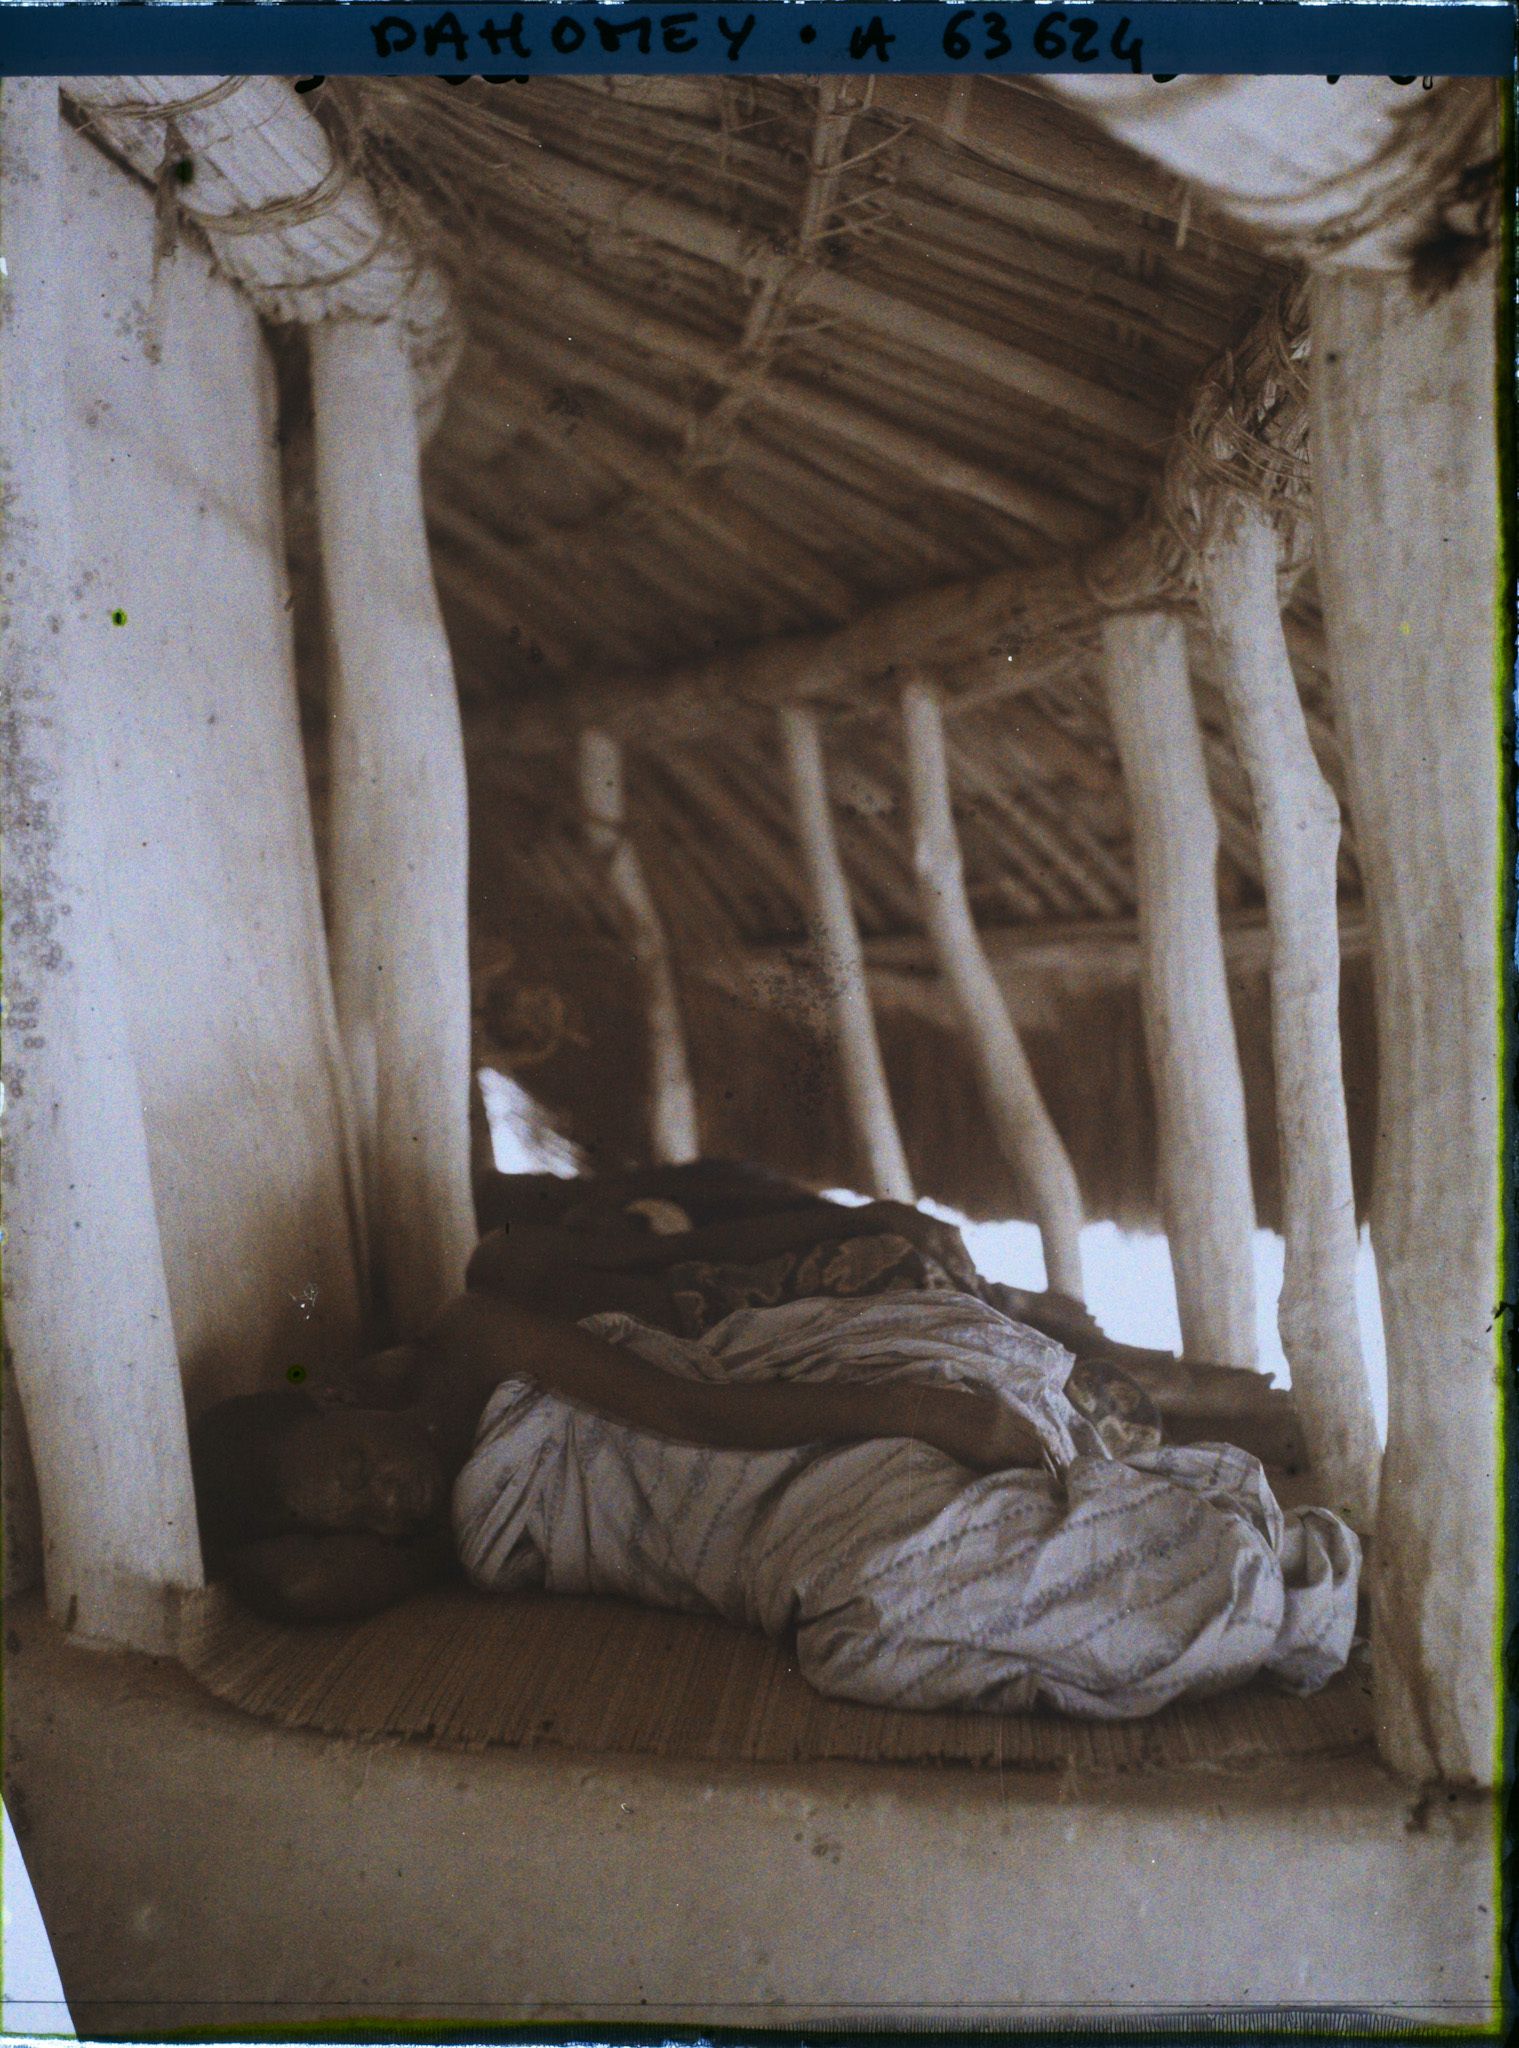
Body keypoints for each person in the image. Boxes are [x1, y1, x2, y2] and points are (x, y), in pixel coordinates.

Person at [191, 1248, 1359, 1720]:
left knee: (895, 1561)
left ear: (343, 1401)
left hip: (741, 1458)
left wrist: (919, 1409)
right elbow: (299, 1582)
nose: (382, 1500)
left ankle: (1208, 1556)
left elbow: (695, 1411)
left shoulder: (474, 1340)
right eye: (348, 1513)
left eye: (352, 1469)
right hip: (702, 1550)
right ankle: (1194, 1555)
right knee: (865, 1627)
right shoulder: (405, 1542)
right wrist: (274, 1509)